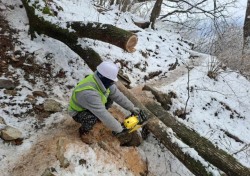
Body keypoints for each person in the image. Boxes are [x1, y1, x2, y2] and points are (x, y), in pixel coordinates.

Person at [68, 61, 141, 145]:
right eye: (111, 81)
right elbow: (102, 113)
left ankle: (99, 118)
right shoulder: (88, 93)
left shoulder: (103, 81)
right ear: (105, 78)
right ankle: (83, 131)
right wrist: (118, 129)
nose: (113, 83)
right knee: (91, 119)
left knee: (110, 97)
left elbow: (118, 96)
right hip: (78, 111)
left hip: (92, 104)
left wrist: (131, 107)